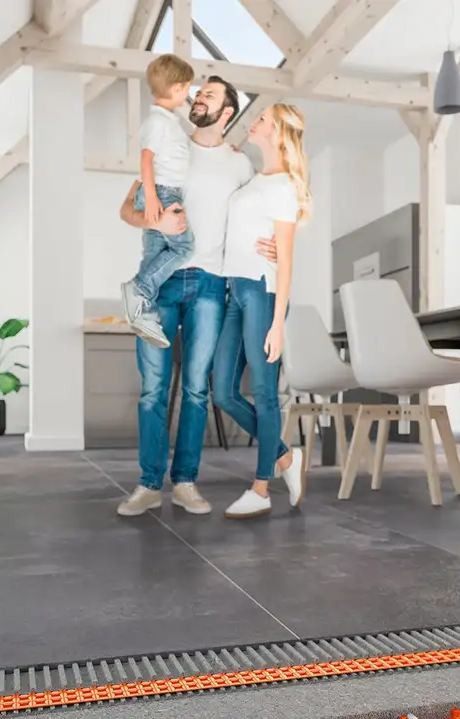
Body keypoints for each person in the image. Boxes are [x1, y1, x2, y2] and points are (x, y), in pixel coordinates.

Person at [113, 76, 276, 518]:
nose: (198, 98)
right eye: (198, 92)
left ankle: (185, 483)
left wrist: (276, 247)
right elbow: (127, 209)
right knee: (153, 390)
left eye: (209, 95)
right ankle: (149, 485)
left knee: (196, 391)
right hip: (161, 284)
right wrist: (156, 222)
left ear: (227, 113)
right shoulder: (170, 148)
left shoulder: (240, 165)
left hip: (211, 284)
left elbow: (263, 215)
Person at [213, 104, 313, 519]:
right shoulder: (256, 178)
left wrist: (277, 324)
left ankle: (261, 488)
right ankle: (286, 456)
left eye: (262, 120)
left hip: (262, 293)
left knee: (266, 393)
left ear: (278, 131)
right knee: (223, 391)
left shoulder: (285, 185)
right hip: (234, 292)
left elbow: (285, 261)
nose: (253, 122)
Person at [120, 54, 196, 349]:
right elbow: (146, 158)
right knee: (184, 247)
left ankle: (144, 313)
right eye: (187, 87)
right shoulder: (158, 122)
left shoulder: (167, 121)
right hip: (163, 191)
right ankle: (139, 288)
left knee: (154, 253)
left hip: (162, 190)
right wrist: (152, 197)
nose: (188, 92)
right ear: (177, 88)